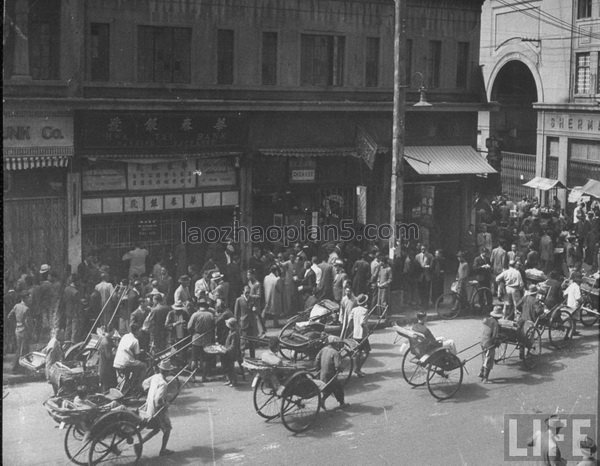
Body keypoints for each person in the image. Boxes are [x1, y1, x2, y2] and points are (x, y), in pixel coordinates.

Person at [137, 359, 176, 457]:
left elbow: (144, 383)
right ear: (167, 372)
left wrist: (149, 392)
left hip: (149, 407)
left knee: (157, 429)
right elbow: (158, 400)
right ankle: (163, 450)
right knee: (167, 429)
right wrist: (165, 404)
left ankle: (139, 444)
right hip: (156, 411)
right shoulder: (163, 383)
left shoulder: (155, 376)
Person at [314, 336, 348, 410]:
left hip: (322, 374)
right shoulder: (335, 353)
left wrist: (318, 369)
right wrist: (340, 369)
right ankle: (341, 403)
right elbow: (337, 366)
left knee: (329, 389)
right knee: (339, 389)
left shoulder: (323, 349)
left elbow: (317, 360)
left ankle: (323, 401)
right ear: (335, 344)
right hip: (330, 375)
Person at [113, 322, 147, 395]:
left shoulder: (125, 336)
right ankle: (139, 385)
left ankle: (131, 383)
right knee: (143, 366)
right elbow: (137, 356)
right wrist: (141, 352)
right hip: (126, 363)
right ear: (136, 331)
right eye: (139, 330)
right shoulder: (135, 341)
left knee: (132, 369)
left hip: (117, 361)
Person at [187, 301, 215, 383]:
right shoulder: (210, 315)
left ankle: (193, 377)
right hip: (207, 338)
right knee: (205, 359)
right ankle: (204, 377)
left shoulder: (195, 315)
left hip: (196, 338)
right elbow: (213, 327)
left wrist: (192, 333)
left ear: (199, 307)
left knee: (194, 359)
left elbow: (189, 327)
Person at [8, 291, 33, 373]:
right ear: (25, 298)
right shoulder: (26, 309)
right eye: (29, 297)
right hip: (24, 331)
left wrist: (16, 323)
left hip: (17, 330)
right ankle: (19, 368)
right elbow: (28, 323)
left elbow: (9, 316)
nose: (30, 299)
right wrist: (31, 332)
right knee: (24, 350)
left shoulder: (16, 306)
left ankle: (16, 367)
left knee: (19, 349)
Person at [348, 294, 370, 377]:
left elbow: (350, 322)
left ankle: (357, 368)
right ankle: (358, 368)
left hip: (355, 334)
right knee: (366, 352)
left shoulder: (354, 310)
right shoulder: (365, 311)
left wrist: (351, 331)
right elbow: (363, 323)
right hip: (362, 335)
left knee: (358, 352)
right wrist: (367, 332)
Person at [235, 286, 259, 358]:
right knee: (243, 343)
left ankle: (253, 358)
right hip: (243, 324)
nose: (247, 294)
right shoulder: (239, 300)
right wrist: (237, 324)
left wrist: (255, 309)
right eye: (246, 292)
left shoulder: (252, 299)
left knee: (252, 343)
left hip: (251, 324)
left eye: (249, 292)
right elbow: (236, 314)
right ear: (243, 292)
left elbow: (257, 310)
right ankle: (241, 359)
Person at [479, 308, 501, 383]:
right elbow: (494, 335)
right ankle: (485, 378)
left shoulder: (486, 320)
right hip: (489, 343)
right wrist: (496, 342)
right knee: (489, 360)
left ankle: (481, 372)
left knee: (484, 357)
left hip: (482, 341)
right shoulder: (495, 323)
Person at [62, 275, 84, 343]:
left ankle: (66, 342)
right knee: (75, 329)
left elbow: (64, 300)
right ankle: (73, 343)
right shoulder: (75, 292)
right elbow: (78, 304)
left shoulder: (66, 289)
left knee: (68, 327)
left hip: (68, 310)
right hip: (75, 312)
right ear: (76, 281)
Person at [222, 318, 241, 387]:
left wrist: (227, 350)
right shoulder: (231, 332)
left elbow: (233, 345)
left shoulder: (234, 334)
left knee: (231, 368)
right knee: (228, 367)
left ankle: (234, 381)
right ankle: (230, 380)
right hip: (228, 352)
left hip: (232, 353)